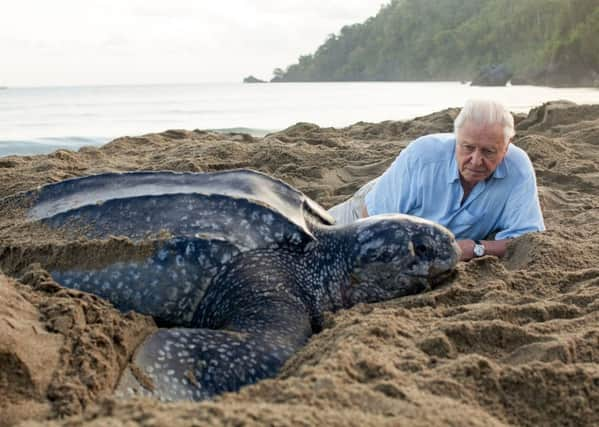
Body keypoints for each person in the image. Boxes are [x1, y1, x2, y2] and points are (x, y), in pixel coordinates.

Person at [328, 99, 545, 261]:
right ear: (456, 140)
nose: (476, 160)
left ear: (506, 147)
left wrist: (475, 248)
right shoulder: (423, 156)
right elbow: (371, 221)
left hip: (431, 238)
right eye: (468, 148)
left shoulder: (518, 169)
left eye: (488, 151)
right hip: (368, 208)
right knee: (312, 239)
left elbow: (526, 241)